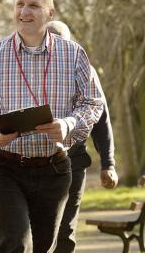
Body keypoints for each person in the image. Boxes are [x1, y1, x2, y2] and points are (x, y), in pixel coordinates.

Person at [0, 0, 104, 252]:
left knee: (43, 246)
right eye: (20, 4)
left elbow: (93, 103)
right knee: (14, 243)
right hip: (5, 166)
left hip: (54, 167)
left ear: (50, 13)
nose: (25, 11)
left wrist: (69, 124)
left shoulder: (73, 54)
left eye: (34, 5)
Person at [46, 20, 118, 253]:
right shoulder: (27, 70)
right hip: (33, 165)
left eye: (60, 41)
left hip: (72, 163)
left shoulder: (85, 71)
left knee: (65, 230)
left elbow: (101, 120)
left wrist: (108, 164)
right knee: (39, 230)